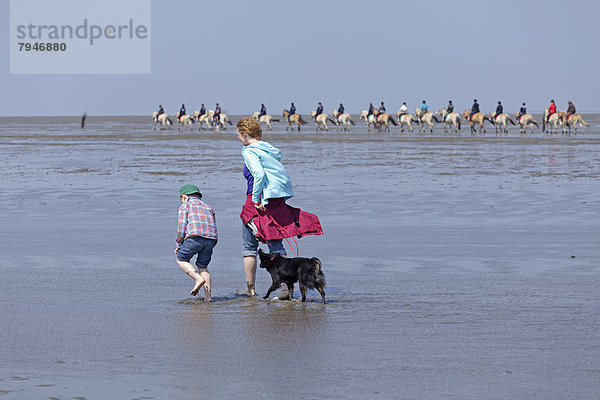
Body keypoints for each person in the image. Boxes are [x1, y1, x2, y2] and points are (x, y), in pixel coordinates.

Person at [236, 117, 323, 297]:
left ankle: (250, 289)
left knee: (249, 247)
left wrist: (255, 199)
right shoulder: (270, 150)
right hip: (275, 200)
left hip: (257, 201)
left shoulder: (249, 151)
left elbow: (259, 174)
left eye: (238, 135)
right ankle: (285, 289)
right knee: (276, 242)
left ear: (244, 135)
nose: (238, 138)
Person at [175, 184, 217, 302]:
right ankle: (208, 298)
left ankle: (197, 278)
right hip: (211, 239)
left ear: (184, 197)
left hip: (194, 237)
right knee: (203, 266)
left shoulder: (186, 206)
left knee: (181, 258)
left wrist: (179, 244)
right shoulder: (208, 207)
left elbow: (181, 227)